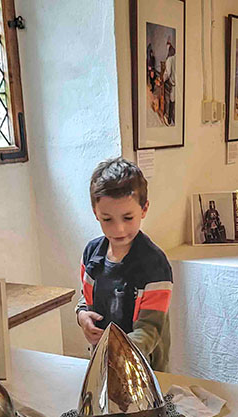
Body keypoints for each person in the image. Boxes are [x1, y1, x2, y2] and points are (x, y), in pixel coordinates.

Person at [76, 158, 173, 371]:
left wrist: (116, 354)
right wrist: (82, 316)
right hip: (101, 362)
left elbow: (150, 329)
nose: (118, 229)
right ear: (95, 213)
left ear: (144, 209)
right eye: (107, 219)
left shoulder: (155, 265)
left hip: (145, 370)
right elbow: (85, 298)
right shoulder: (92, 254)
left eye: (128, 218)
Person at [163, 40, 176, 125]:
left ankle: (168, 118)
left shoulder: (170, 59)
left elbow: (168, 73)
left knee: (169, 101)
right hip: (178, 85)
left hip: (172, 84)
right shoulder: (177, 57)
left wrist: (163, 79)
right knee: (174, 102)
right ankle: (173, 119)